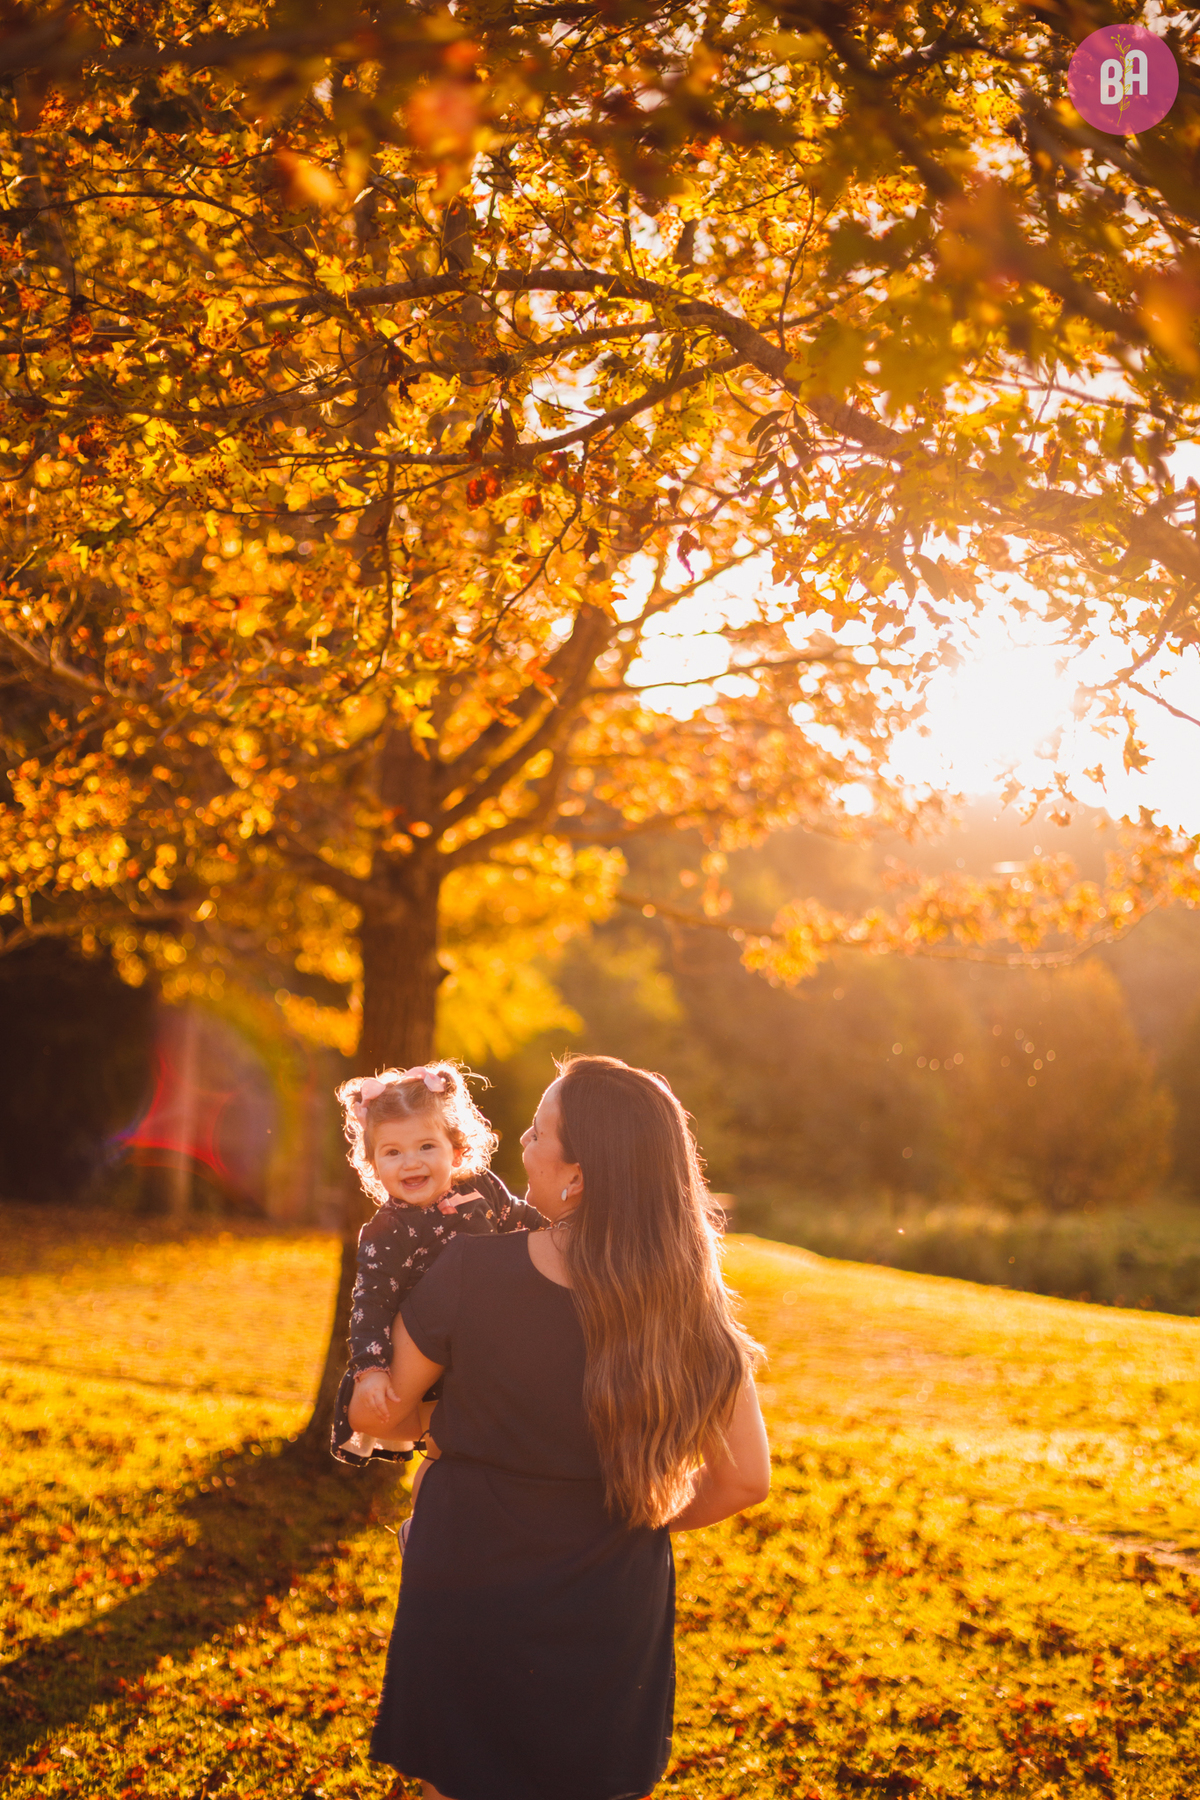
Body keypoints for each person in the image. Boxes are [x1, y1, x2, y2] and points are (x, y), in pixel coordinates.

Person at [351, 1053, 770, 1800]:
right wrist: (635, 1520)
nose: (521, 1144)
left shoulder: (468, 1272)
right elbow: (744, 1478)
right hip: (610, 1600)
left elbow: (386, 1422)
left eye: (539, 1132)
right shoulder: (689, 1303)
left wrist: (400, 1400)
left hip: (467, 1579)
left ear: (577, 1173)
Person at [331, 1061, 546, 1468]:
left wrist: (563, 1230)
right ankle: (425, 1524)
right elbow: (369, 1303)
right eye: (393, 1152)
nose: (411, 1162)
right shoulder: (388, 1230)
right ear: (373, 1165)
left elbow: (521, 1218)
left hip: (488, 1345)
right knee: (444, 1450)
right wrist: (371, 1368)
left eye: (426, 1146)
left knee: (491, 1439)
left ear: (457, 1150)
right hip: (432, 1360)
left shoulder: (480, 1188)